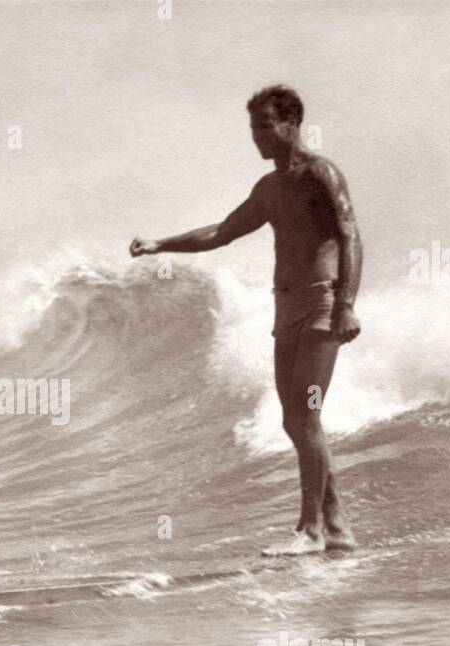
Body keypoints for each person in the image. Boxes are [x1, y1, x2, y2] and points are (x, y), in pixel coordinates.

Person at [129, 85, 362, 556]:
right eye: (253, 127)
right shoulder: (270, 188)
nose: (256, 137)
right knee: (294, 423)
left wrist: (347, 304)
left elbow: (350, 237)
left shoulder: (321, 174)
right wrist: (160, 245)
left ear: (292, 124)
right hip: (286, 311)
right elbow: (221, 232)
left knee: (305, 416)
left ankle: (310, 530)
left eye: (264, 126)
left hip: (322, 306)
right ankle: (336, 528)